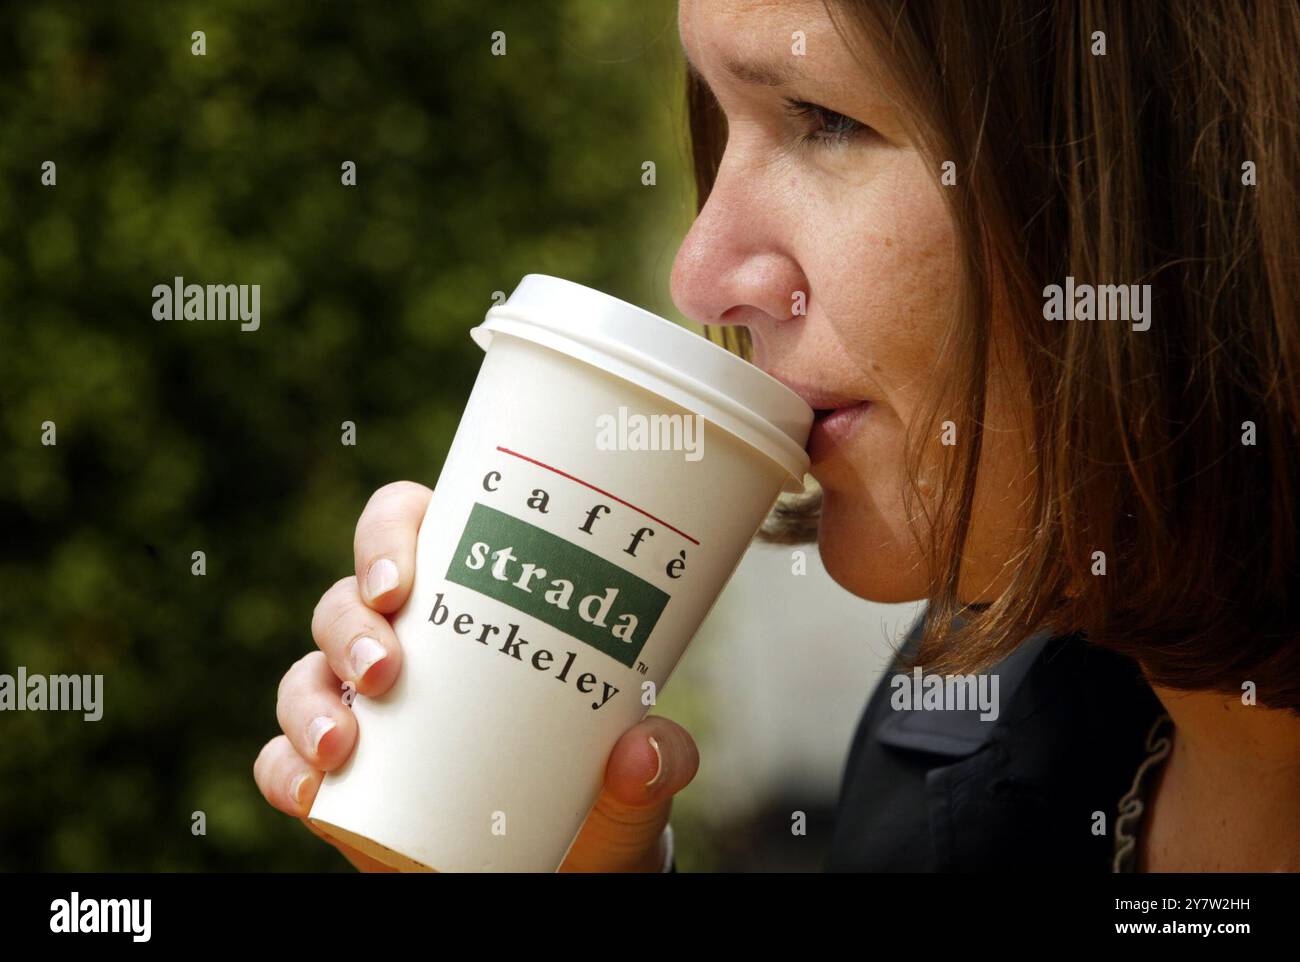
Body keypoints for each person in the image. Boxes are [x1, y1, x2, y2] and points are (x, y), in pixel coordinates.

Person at [255, 0, 1300, 872]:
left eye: (823, 120)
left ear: (1177, 171)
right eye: (719, 120)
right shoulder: (947, 738)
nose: (702, 272)